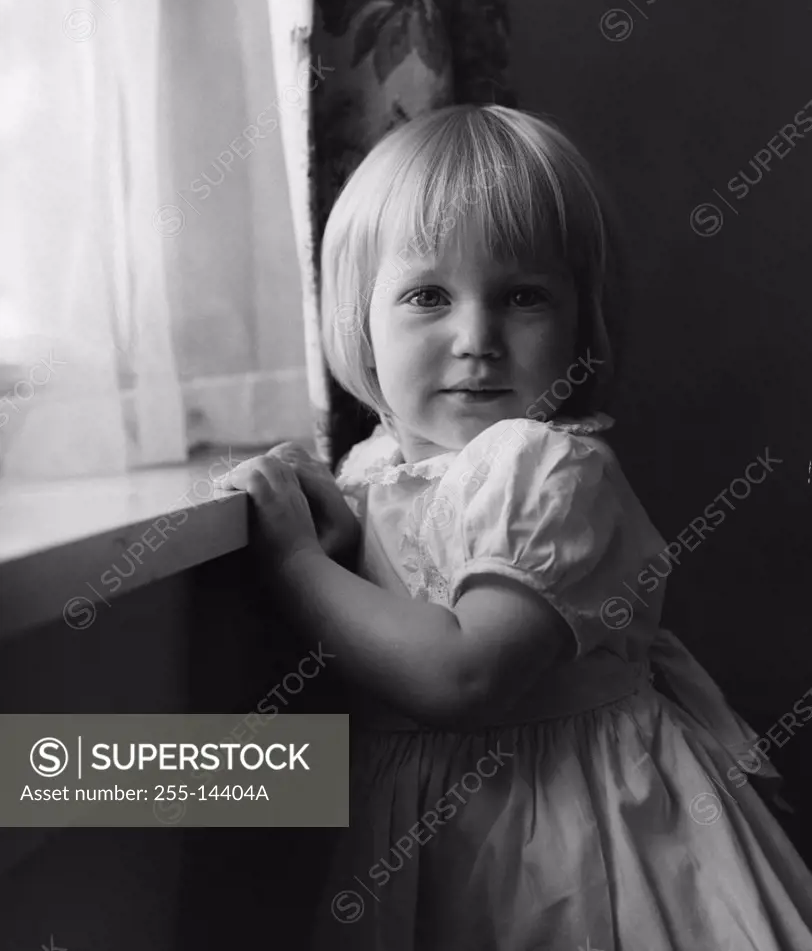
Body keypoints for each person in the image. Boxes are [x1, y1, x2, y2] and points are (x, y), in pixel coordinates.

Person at [217, 105, 812, 949]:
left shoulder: (549, 469)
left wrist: (296, 564)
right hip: (434, 837)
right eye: (428, 295)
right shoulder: (371, 472)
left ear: (581, 319)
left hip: (570, 849)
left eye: (523, 296)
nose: (476, 337)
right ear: (360, 319)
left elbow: (462, 678)